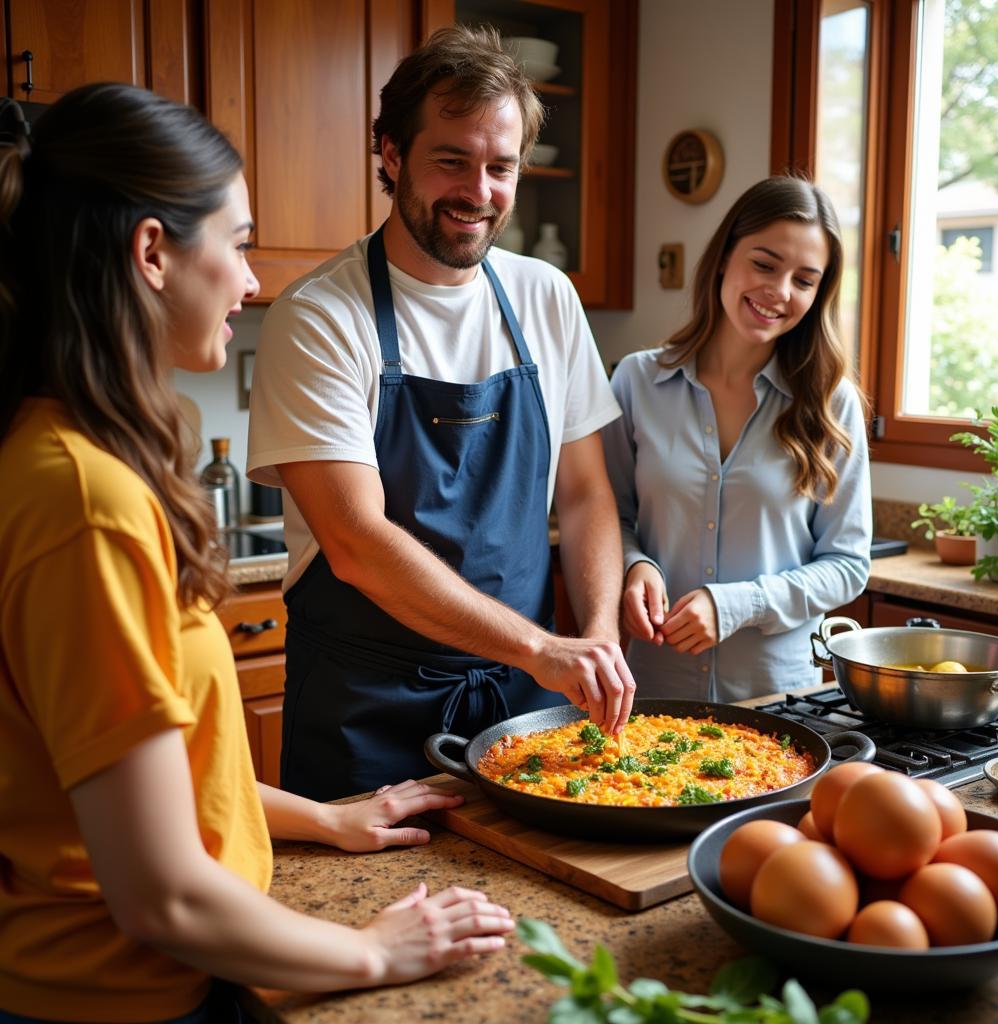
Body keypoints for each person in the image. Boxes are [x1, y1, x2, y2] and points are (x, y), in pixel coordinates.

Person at [0, 83, 516, 1024]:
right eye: (236, 244)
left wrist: (324, 819)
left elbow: (163, 776)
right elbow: (162, 896)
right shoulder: (86, 503)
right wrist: (377, 948)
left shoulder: (77, 458)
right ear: (152, 252)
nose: (249, 280)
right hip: (116, 1000)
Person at [247, 25, 635, 801]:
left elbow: (586, 492)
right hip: (366, 712)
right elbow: (356, 542)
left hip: (526, 703)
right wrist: (543, 648)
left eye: (501, 167)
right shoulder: (320, 316)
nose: (479, 192)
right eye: (451, 160)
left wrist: (596, 635)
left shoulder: (546, 297)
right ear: (391, 155)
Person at [601, 176, 871, 703]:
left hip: (777, 695)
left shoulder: (831, 402)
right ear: (724, 256)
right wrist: (634, 566)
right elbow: (609, 516)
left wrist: (737, 605)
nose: (780, 291)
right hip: (654, 686)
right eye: (765, 264)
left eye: (804, 280)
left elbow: (848, 564)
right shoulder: (636, 381)